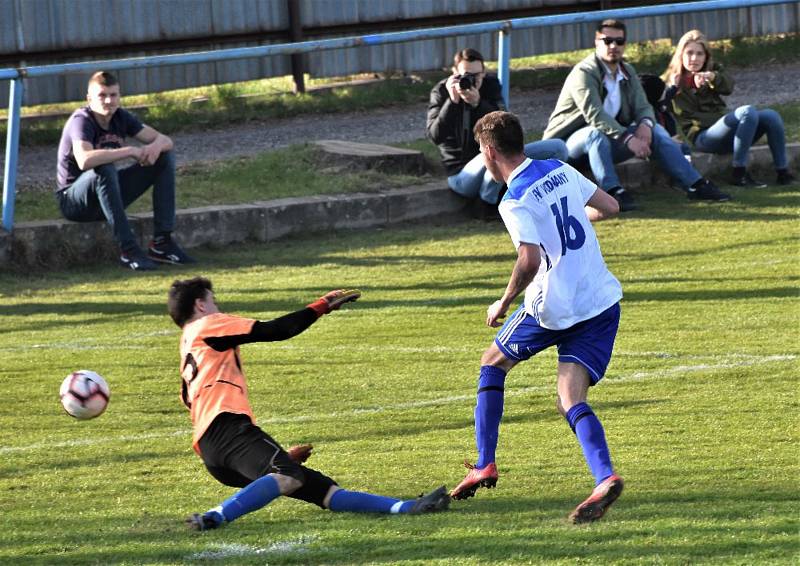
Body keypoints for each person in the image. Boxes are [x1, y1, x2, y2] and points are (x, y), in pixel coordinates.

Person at [450, 111, 624, 524]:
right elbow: (610, 207)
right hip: (600, 300)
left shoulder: (515, 199)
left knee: (492, 363)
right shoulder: (558, 168)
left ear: (490, 152)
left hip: (553, 308)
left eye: (481, 152)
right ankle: (604, 477)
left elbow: (528, 259)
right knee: (570, 398)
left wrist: (504, 301)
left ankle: (485, 463)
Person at [167, 277, 450, 531]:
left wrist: (277, 455)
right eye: (214, 301)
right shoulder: (209, 325)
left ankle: (407, 507)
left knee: (322, 490)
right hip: (228, 427)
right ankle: (215, 516)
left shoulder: (188, 345)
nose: (218, 307)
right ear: (201, 305)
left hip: (211, 449)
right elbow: (277, 329)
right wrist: (321, 305)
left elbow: (188, 400)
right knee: (287, 475)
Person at [542, 19, 730, 210]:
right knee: (594, 133)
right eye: (607, 41)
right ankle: (613, 191)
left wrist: (645, 125)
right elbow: (595, 115)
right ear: (596, 42)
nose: (613, 46)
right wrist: (628, 137)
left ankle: (695, 185)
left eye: (619, 41)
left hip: (607, 144)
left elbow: (643, 106)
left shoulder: (627, 71)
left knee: (655, 130)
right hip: (566, 148)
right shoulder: (584, 72)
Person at [56, 71, 193, 271]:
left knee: (164, 157)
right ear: (89, 99)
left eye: (113, 95)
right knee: (103, 166)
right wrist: (129, 151)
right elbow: (84, 160)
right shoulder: (81, 120)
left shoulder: (122, 117)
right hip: (74, 201)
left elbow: (166, 140)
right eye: (102, 95)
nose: (108, 101)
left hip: (107, 195)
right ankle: (128, 250)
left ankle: (162, 244)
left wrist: (154, 148)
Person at [427, 48, 569, 208]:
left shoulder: (490, 85)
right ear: (454, 73)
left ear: (483, 72)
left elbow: (507, 128)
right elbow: (434, 136)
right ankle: (485, 206)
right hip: (462, 175)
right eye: (465, 75)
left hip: (496, 160)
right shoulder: (441, 91)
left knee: (558, 147)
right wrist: (452, 103)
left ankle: (541, 196)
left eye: (476, 75)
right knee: (493, 155)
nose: (471, 80)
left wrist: (478, 104)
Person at [662, 29, 796, 187]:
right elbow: (656, 109)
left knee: (770, 115)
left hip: (726, 132)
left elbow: (729, 86)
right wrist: (672, 89)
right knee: (747, 112)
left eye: (699, 54)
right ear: (680, 55)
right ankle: (739, 173)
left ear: (706, 57)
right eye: (689, 53)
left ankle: (783, 173)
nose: (694, 58)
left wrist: (712, 77)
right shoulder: (669, 80)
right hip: (703, 137)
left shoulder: (713, 71)